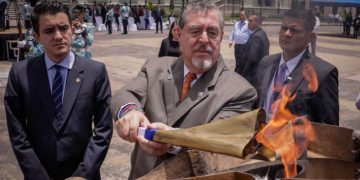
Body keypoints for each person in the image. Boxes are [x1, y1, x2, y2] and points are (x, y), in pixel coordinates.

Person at [111, 1, 257, 179]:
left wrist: (173, 141)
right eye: (195, 31)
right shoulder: (155, 67)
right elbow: (125, 94)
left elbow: (217, 143)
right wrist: (129, 112)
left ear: (221, 37)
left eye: (212, 32)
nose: (204, 39)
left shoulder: (240, 91)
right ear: (178, 34)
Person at [4, 2, 113, 179]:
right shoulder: (20, 74)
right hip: (39, 173)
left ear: (72, 29)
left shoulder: (95, 72)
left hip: (84, 173)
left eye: (63, 28)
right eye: (48, 31)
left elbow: (103, 129)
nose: (58, 36)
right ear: (37, 36)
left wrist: (82, 175)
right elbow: (18, 134)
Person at [254, 9, 339, 125]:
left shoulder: (323, 74)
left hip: (292, 142)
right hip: (260, 139)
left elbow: (329, 130)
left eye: (294, 30)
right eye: (284, 28)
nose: (287, 34)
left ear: (310, 37)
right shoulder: (266, 63)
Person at [235, 13, 269, 87]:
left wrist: (242, 73)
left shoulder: (257, 37)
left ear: (258, 22)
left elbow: (251, 58)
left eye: (250, 21)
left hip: (251, 75)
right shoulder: (261, 33)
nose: (248, 23)